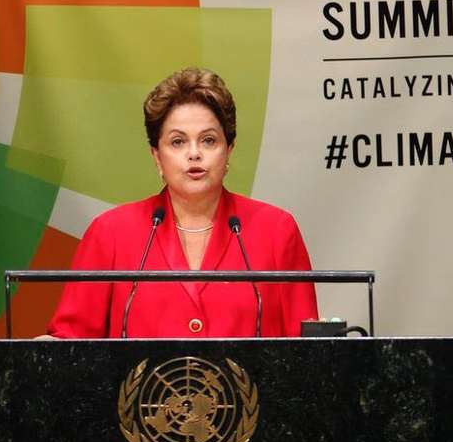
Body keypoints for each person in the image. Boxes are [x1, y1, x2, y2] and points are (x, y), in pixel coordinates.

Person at [46, 68, 318, 338]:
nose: (194, 154)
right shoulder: (110, 233)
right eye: (177, 142)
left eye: (208, 140)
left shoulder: (276, 231)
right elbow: (71, 345)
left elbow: (308, 354)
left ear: (229, 150)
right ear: (156, 156)